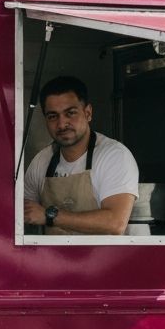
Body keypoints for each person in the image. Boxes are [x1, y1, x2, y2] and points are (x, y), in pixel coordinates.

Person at [23, 76, 139, 235]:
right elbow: (24, 212)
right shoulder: (42, 160)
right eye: (53, 116)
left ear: (88, 113)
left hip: (102, 258)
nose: (62, 124)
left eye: (70, 113)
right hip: (52, 259)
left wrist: (49, 216)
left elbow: (115, 223)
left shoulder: (114, 156)